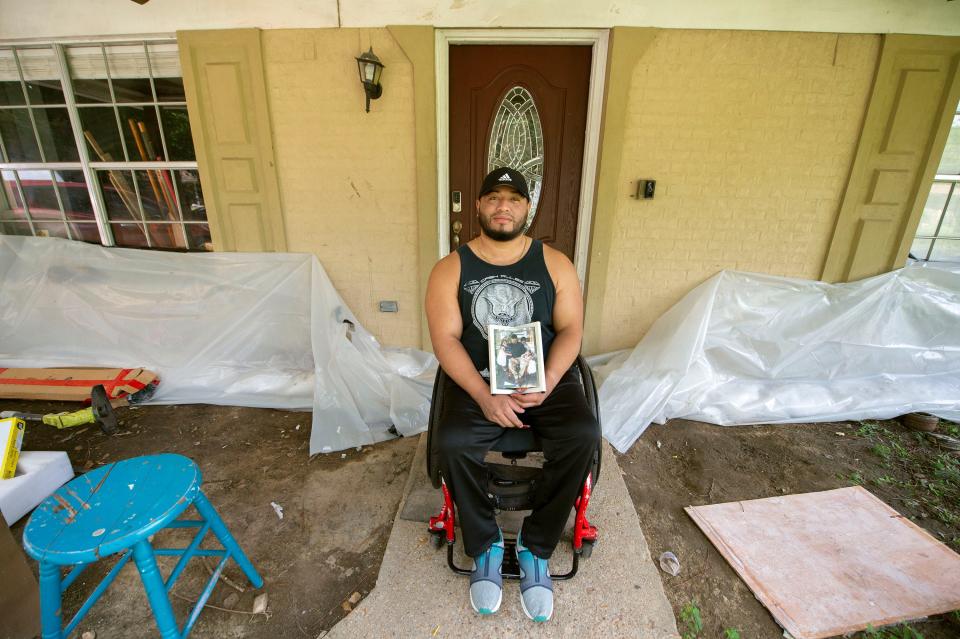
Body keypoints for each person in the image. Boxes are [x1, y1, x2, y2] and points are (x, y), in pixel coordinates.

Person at [424, 167, 601, 622]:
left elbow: (572, 330)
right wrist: (484, 396)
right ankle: (483, 544)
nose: (504, 206)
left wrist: (549, 378)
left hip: (541, 378)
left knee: (582, 434)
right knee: (453, 442)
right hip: (480, 379)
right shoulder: (451, 269)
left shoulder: (555, 264)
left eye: (514, 199)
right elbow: (446, 340)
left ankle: (535, 546)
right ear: (480, 206)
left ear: (527, 208)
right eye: (494, 198)